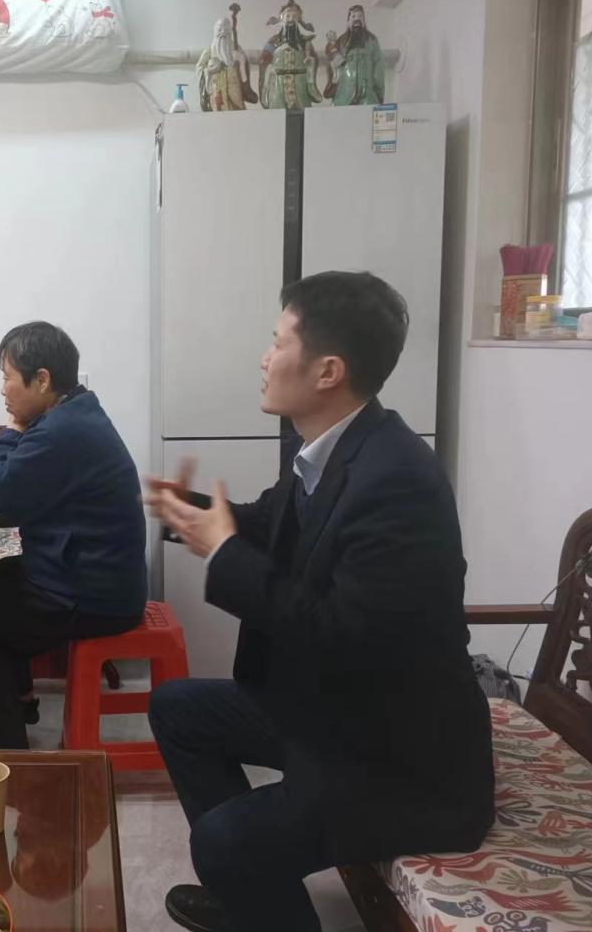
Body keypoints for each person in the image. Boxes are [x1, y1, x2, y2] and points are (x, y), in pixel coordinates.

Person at [144, 272, 494, 932]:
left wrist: (223, 551)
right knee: (177, 709)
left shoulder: (396, 481)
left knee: (221, 842)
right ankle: (252, 896)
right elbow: (267, 522)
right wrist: (186, 512)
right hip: (337, 713)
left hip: (401, 761)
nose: (263, 358)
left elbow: (339, 632)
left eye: (277, 342)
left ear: (327, 370)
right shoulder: (331, 446)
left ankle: (244, 880)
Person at [0, 321, 146, 749]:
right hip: (95, 578)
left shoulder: (60, 431)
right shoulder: (74, 413)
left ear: (42, 379)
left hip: (95, 598)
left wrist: (10, 430)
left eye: (7, 377)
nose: (3, 390)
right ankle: (19, 704)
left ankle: (4, 754)